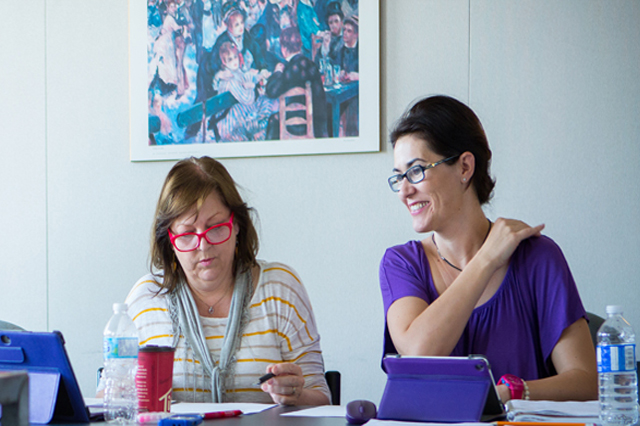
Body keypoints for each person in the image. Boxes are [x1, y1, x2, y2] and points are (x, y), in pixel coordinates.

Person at [380, 95, 597, 403]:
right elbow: (419, 352)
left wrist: (512, 393)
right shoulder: (401, 264)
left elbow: (587, 383)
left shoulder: (537, 257)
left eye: (416, 171)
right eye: (398, 177)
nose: (404, 191)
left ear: (465, 167)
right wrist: (486, 260)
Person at [104, 157, 331, 405]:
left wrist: (296, 394)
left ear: (237, 226)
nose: (203, 245)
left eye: (216, 228)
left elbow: (322, 399)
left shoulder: (280, 289)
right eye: (188, 233)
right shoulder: (146, 298)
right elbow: (106, 399)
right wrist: (123, 389)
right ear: (169, 240)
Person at [265, 26, 328, 139]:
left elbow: (271, 91)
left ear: (283, 49)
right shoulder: (311, 64)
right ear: (300, 45)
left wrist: (278, 72)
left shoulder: (291, 69)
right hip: (317, 124)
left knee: (273, 120)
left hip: (298, 125)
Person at [213, 42, 277, 141]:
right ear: (224, 62)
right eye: (230, 59)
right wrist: (251, 87)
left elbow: (246, 76)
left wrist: (259, 76)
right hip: (231, 122)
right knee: (263, 107)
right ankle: (258, 131)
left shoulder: (235, 72)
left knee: (267, 100)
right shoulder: (229, 80)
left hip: (240, 112)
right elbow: (248, 99)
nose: (234, 61)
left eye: (235, 57)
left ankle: (259, 130)